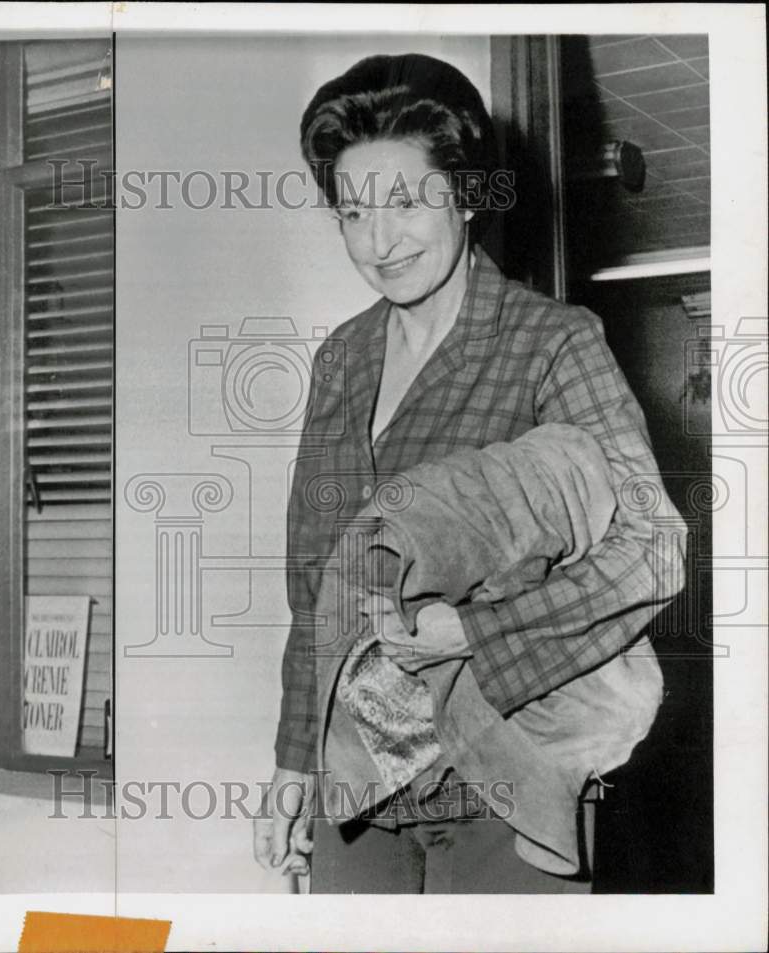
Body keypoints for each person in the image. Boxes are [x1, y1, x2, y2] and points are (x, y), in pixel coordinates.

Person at [251, 53, 686, 894]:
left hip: (509, 780)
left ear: (466, 193)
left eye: (407, 201)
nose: (379, 242)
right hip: (364, 785)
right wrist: (293, 765)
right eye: (352, 212)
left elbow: (654, 547)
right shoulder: (341, 359)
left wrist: (476, 633)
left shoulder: (552, 343)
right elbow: (315, 593)